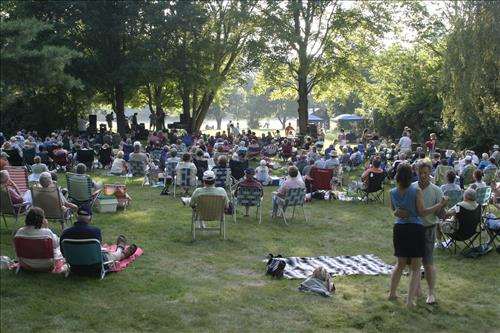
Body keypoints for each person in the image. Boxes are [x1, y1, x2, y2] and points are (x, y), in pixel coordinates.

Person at [388, 163, 448, 306]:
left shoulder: (392, 192)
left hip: (400, 228)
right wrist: (440, 205)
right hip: (415, 229)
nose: (422, 175)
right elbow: (422, 212)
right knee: (416, 267)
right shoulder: (416, 191)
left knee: (400, 264)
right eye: (419, 173)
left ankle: (392, 293)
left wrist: (400, 212)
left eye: (425, 173)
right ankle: (410, 300)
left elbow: (394, 209)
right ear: (412, 174)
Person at [60, 204, 137, 270]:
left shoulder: (65, 233)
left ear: (76, 216)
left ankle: (121, 249)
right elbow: (97, 252)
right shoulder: (95, 231)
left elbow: (63, 253)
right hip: (94, 266)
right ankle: (121, 250)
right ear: (90, 218)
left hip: (74, 266)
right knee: (113, 255)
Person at [15, 207, 65, 271]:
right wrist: (46, 228)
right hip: (47, 264)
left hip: (25, 264)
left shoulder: (20, 232)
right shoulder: (47, 232)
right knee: (57, 248)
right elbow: (56, 244)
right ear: (41, 220)